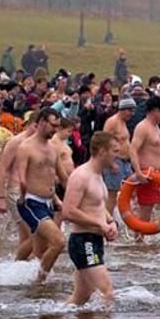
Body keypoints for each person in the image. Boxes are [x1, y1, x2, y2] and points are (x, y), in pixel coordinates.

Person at [61, 131, 120, 306]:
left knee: (80, 298)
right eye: (114, 151)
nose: (117, 156)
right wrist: (100, 224)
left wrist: (111, 222)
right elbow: (68, 211)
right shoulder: (81, 176)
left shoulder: (98, 175)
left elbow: (98, 207)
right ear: (102, 151)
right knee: (107, 292)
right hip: (83, 241)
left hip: (94, 240)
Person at [15, 108, 68, 283]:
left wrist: (61, 199)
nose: (55, 130)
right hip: (31, 202)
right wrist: (23, 196)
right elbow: (22, 178)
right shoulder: (26, 147)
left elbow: (62, 177)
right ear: (42, 122)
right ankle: (40, 282)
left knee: (39, 251)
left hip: (48, 202)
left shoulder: (53, 148)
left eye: (58, 126)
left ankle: (13, 274)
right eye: (53, 126)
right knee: (59, 242)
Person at [0, 111, 38, 261]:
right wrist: (1, 196)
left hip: (31, 193)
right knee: (35, 234)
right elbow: (2, 169)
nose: (37, 130)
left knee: (26, 235)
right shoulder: (16, 142)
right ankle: (16, 266)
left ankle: (22, 266)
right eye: (35, 126)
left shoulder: (38, 143)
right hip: (15, 192)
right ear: (29, 125)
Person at [126, 95, 160, 227]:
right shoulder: (143, 127)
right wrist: (138, 172)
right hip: (148, 175)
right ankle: (139, 243)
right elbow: (132, 150)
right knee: (145, 212)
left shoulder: (157, 126)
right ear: (154, 110)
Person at [101, 96, 135, 215]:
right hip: (115, 161)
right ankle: (107, 221)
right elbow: (104, 142)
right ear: (122, 109)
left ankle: (125, 217)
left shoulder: (123, 123)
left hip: (125, 162)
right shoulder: (112, 122)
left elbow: (126, 143)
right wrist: (111, 163)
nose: (132, 113)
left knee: (133, 190)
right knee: (112, 194)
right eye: (130, 110)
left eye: (133, 110)